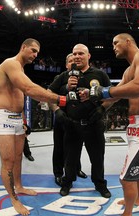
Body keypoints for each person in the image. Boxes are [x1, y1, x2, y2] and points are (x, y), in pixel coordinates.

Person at [87, 33, 139, 216]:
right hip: (137, 124)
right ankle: (137, 199)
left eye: (116, 43)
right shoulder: (129, 70)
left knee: (126, 178)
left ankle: (127, 213)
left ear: (128, 41)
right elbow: (116, 95)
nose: (113, 47)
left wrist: (104, 91)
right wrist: (98, 108)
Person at [0, 38, 69, 216]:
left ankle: (19, 186)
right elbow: (28, 88)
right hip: (3, 117)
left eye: (37, 53)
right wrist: (60, 98)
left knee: (18, 157)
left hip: (18, 118)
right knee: (8, 161)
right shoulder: (10, 64)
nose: (35, 55)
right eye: (33, 50)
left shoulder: (20, 69)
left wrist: (24, 120)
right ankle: (14, 199)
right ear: (23, 47)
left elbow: (20, 97)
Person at [49, 44, 113, 198]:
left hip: (94, 124)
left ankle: (99, 184)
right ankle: (67, 182)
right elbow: (48, 93)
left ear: (88, 56)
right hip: (72, 124)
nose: (77, 56)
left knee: (97, 158)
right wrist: (56, 110)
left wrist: (102, 109)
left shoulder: (99, 74)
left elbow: (112, 95)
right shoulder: (65, 76)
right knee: (70, 160)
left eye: (81, 53)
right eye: (74, 53)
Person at [48, 53, 87, 187]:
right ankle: (58, 173)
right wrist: (57, 111)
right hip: (62, 117)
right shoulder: (60, 77)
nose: (72, 63)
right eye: (70, 61)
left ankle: (76, 169)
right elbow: (50, 94)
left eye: (74, 62)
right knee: (59, 147)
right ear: (66, 65)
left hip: (77, 117)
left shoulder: (82, 77)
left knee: (76, 147)